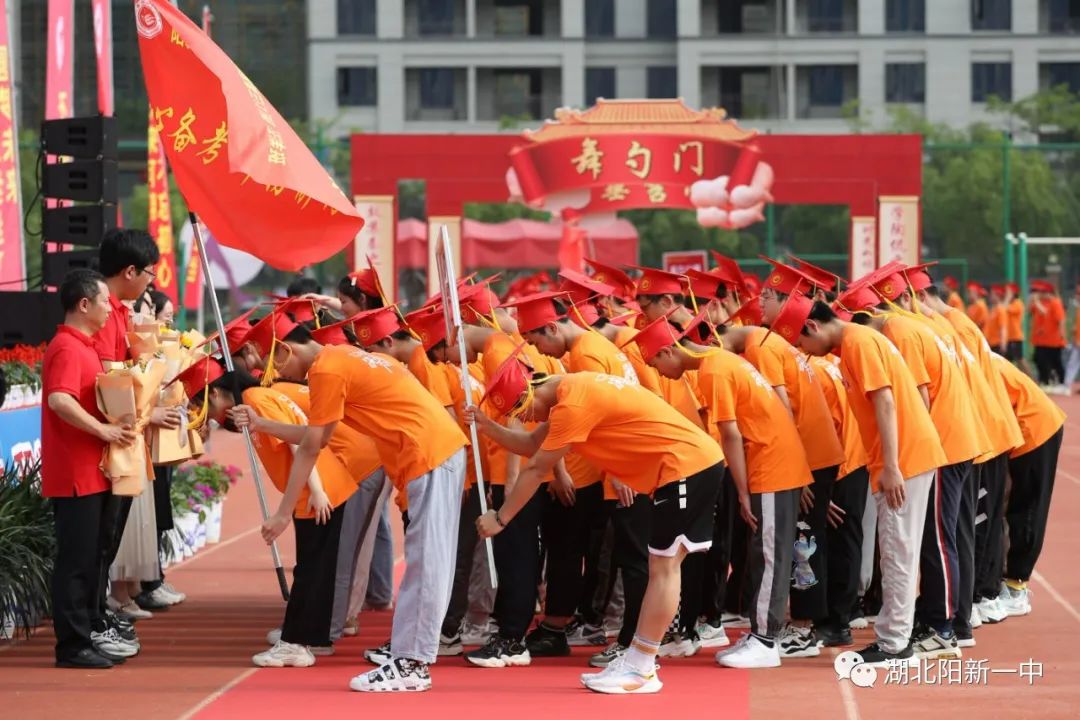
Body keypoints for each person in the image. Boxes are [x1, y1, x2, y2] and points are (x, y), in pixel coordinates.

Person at [468, 357, 725, 694]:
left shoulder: (572, 405)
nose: (525, 421)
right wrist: (487, 426)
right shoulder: (571, 390)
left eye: (521, 413)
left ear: (529, 394)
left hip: (685, 466)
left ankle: (642, 667)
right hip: (683, 465)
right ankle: (638, 660)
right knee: (662, 565)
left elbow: (536, 468)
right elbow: (532, 445)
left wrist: (501, 518)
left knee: (664, 566)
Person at [258, 314, 467, 692]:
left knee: (426, 563)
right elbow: (317, 434)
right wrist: (264, 425)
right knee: (428, 560)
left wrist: (283, 512)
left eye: (274, 364)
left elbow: (311, 446)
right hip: (435, 451)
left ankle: (412, 664)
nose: (276, 375)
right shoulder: (347, 358)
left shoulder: (326, 370)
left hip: (429, 454)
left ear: (286, 350)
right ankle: (410, 656)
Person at [636, 312, 811, 669]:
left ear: (668, 351)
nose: (659, 373)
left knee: (770, 553)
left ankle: (765, 640)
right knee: (765, 551)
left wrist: (742, 492)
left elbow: (730, 434)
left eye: (655, 363)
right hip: (772, 460)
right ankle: (761, 633)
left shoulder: (714, 370)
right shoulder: (720, 361)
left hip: (772, 463)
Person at [797, 300, 947, 668]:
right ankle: (895, 638)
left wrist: (892, 466)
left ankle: (894, 644)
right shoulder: (859, 340)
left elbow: (885, 401)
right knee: (898, 548)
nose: (806, 352)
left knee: (897, 549)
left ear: (813, 326)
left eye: (803, 344)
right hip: (904, 455)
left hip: (903, 459)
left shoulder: (858, 343)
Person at [862, 271, 986, 659]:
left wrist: (906, 453)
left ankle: (942, 627)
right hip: (957, 435)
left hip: (944, 442)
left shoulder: (901, 331)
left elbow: (920, 397)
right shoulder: (927, 324)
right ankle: (949, 620)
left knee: (937, 538)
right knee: (947, 534)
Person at [91, 229, 180, 659]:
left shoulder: (118, 313)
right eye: (148, 273)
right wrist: (146, 415)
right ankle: (91, 621)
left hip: (125, 438)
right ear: (129, 271)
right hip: (110, 440)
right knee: (98, 541)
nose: (150, 282)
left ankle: (97, 616)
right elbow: (110, 384)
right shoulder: (102, 314)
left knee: (106, 539)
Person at [42, 269, 138, 669]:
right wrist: (103, 430)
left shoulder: (87, 346)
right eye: (103, 303)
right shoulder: (66, 346)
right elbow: (59, 400)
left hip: (92, 470)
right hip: (74, 473)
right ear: (84, 305)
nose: (109, 310)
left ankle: (86, 633)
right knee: (76, 562)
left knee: (91, 557)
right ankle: (71, 645)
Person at [990, 353, 1066, 617]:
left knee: (1027, 507)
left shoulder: (971, 359)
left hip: (1035, 429)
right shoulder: (966, 352)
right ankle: (1002, 578)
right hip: (1018, 423)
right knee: (1006, 503)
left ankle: (1016, 587)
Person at [1029, 280, 1067, 390]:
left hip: (1054, 340)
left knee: (1056, 362)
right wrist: (1033, 300)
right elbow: (1029, 310)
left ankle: (1062, 383)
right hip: (1042, 340)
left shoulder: (1055, 302)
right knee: (1039, 360)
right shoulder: (1041, 302)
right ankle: (1045, 381)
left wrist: (1062, 334)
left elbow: (1059, 319)